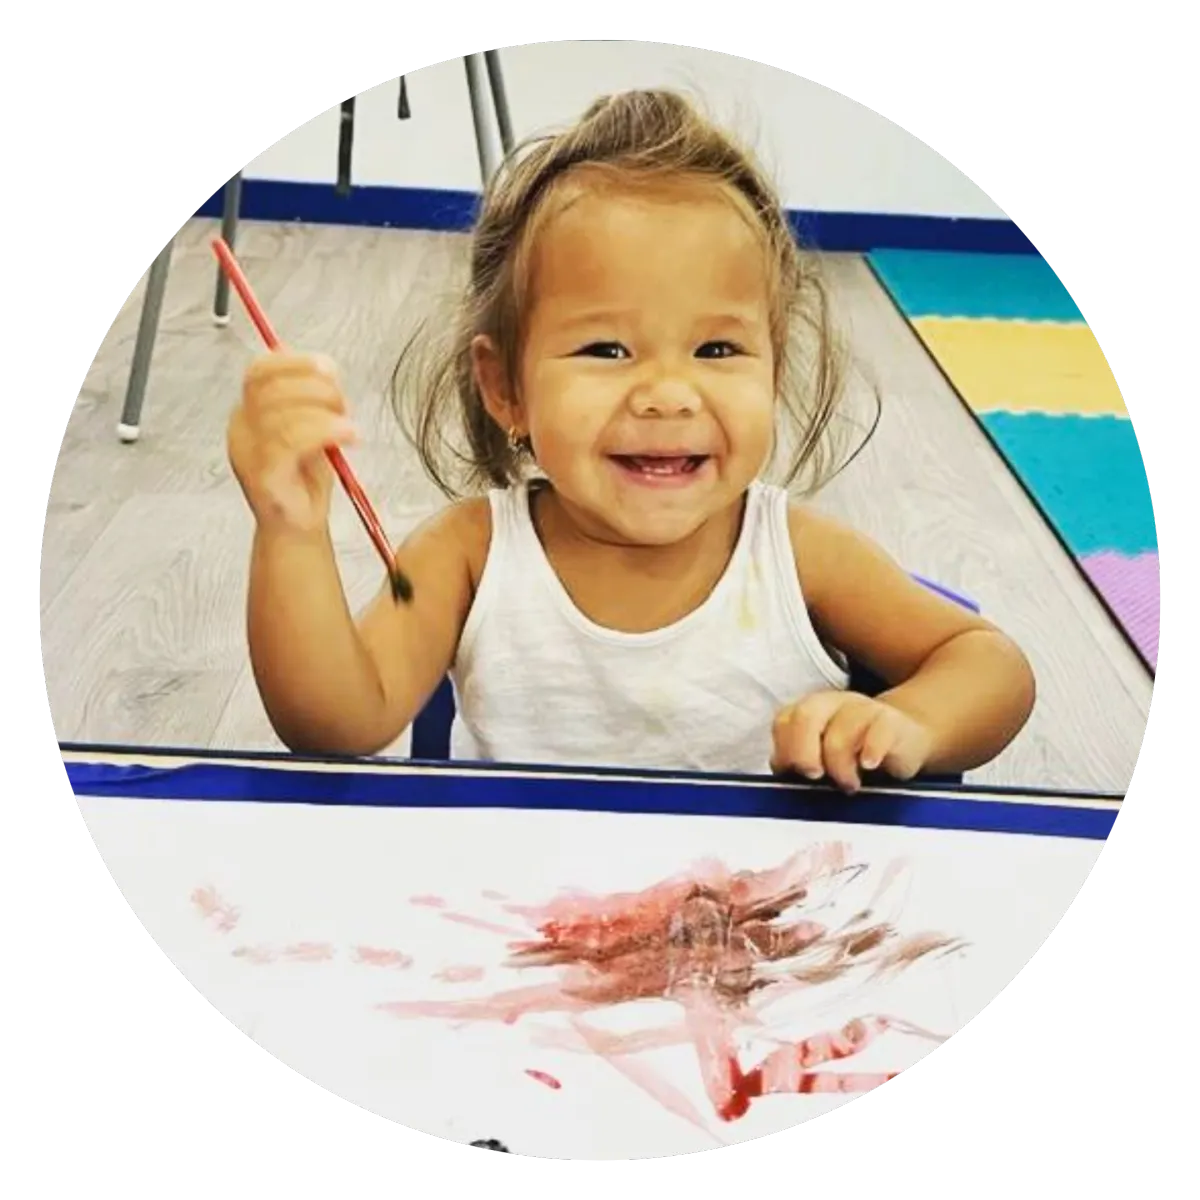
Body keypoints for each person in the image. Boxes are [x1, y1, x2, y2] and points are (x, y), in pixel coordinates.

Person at [227, 89, 1035, 791]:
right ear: (505, 384)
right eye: (605, 350)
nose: (667, 395)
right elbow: (333, 725)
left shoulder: (797, 555)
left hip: (755, 935)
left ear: (773, 369)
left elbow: (988, 662)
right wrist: (290, 531)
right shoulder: (467, 554)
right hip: (523, 930)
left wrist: (908, 723)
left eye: (718, 350)